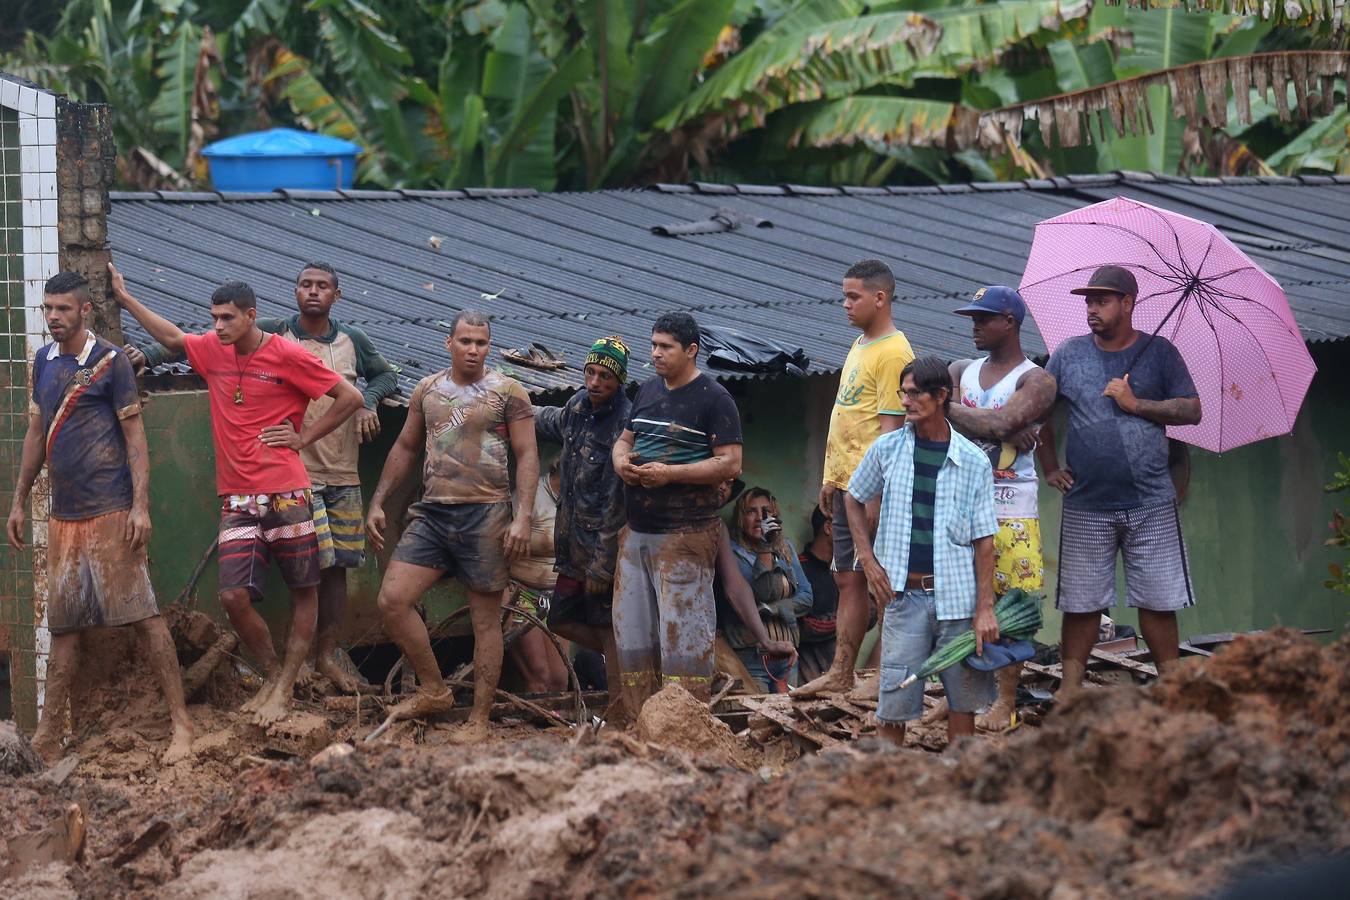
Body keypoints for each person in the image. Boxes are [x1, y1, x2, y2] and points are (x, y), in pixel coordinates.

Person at [109, 263, 364, 726]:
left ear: (251, 314)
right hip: (237, 500)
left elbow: (350, 398)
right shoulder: (212, 350)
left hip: (288, 493)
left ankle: (286, 688)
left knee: (305, 590)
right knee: (233, 597)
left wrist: (303, 439)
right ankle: (273, 676)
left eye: (227, 318)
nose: (218, 327)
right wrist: (126, 300)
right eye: (213, 318)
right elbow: (172, 340)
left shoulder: (286, 353)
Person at [6, 273, 195, 764]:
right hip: (64, 517)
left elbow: (135, 439)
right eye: (48, 308)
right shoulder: (43, 361)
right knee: (65, 627)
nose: (52, 316)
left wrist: (141, 506)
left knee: (143, 616)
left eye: (63, 309)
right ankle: (48, 735)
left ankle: (182, 725)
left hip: (111, 511)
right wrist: (20, 500)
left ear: (85, 311)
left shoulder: (109, 361)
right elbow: (35, 433)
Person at [365, 310, 539, 742]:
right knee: (392, 600)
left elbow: (529, 455)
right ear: (449, 343)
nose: (473, 349)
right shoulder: (428, 389)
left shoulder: (508, 391)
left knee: (485, 621)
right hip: (433, 512)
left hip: (486, 512)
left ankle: (479, 720)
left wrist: (522, 517)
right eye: (465, 341)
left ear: (489, 346)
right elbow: (405, 446)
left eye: (481, 342)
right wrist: (378, 501)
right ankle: (435, 689)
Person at [610, 312, 788, 710]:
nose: (655, 353)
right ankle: (640, 722)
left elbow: (730, 464)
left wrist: (670, 474)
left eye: (666, 347)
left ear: (691, 351)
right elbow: (624, 440)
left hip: (685, 535)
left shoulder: (714, 398)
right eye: (654, 345)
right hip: (637, 531)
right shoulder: (647, 391)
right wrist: (620, 461)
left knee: (684, 638)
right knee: (633, 637)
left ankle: (686, 723)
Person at [1037, 265, 1201, 693]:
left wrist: (1137, 403)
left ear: (1128, 303)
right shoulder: (1068, 353)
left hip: (1151, 501)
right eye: (1088, 301)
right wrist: (1049, 466)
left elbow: (1191, 409)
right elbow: (1040, 413)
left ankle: (1172, 691)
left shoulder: (1161, 352)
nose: (1091, 309)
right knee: (1081, 604)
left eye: (1102, 300)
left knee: (1159, 602)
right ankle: (1070, 692)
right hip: (1086, 501)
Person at [845, 357, 999, 745]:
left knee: (962, 704)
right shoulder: (888, 450)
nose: (906, 402)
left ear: (941, 395)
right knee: (893, 705)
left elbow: (985, 541)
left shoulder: (973, 461)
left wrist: (985, 608)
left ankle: (957, 789)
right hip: (903, 597)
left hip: (958, 601)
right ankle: (889, 790)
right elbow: (853, 498)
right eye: (904, 393)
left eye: (914, 393)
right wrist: (867, 559)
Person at [796, 259, 914, 698]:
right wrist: (831, 477)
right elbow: (846, 417)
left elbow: (890, 429)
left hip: (872, 490)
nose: (845, 304)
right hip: (846, 486)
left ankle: (891, 676)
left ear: (880, 298)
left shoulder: (895, 352)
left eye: (853, 296)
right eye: (844, 295)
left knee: (881, 580)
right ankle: (842, 672)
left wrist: (877, 493)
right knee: (847, 577)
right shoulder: (859, 344)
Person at [947, 285, 1057, 729]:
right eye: (973, 318)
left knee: (1012, 606)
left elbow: (999, 421)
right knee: (957, 604)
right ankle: (958, 696)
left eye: (984, 318)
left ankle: (1005, 701)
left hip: (1012, 510)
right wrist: (995, 427)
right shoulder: (960, 369)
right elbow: (942, 420)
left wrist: (975, 419)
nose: (974, 326)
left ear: (1009, 322)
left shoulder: (1037, 379)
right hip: (961, 504)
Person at [533, 336, 632, 719]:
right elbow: (552, 420)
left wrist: (604, 562)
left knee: (606, 625)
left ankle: (622, 705)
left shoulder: (624, 421)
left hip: (601, 548)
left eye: (604, 376)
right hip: (571, 544)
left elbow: (616, 502)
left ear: (618, 380)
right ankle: (630, 656)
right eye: (590, 372)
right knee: (560, 618)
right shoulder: (577, 405)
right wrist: (514, 408)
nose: (594, 382)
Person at [723, 488, 812, 693]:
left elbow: (807, 597)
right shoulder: (732, 553)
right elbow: (763, 592)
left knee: (790, 716)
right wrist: (764, 547)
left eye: (766, 511)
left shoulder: (785, 549)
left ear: (775, 516)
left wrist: (774, 608)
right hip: (752, 656)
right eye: (751, 511)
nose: (760, 518)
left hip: (788, 654)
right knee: (760, 717)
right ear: (740, 518)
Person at [505, 458, 569, 694]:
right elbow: (497, 549)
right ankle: (535, 725)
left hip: (557, 599)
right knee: (540, 676)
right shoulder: (530, 498)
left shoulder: (578, 500)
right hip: (524, 594)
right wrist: (505, 598)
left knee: (560, 680)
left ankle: (557, 728)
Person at [796, 507, 840, 685]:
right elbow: (801, 627)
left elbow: (871, 611)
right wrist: (846, 621)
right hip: (809, 678)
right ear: (828, 528)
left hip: (838, 678)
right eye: (846, 525)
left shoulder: (844, 570)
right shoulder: (799, 568)